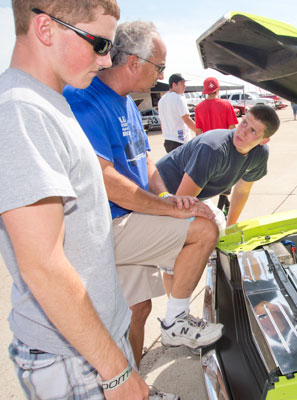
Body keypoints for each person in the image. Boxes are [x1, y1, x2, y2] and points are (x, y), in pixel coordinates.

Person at [0, 1, 157, 398]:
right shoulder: (22, 111)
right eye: (99, 44)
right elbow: (44, 267)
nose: (107, 61)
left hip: (92, 341)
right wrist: (117, 372)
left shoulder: (50, 101)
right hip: (74, 356)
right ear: (46, 29)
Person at [63, 21, 223, 370]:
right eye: (159, 67)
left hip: (128, 217)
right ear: (134, 62)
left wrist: (167, 196)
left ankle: (134, 388)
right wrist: (170, 212)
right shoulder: (85, 100)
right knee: (204, 228)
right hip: (104, 226)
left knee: (138, 309)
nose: (161, 76)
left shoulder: (127, 103)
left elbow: (144, 158)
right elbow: (107, 180)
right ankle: (176, 321)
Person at [155, 105, 280, 227]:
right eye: (244, 123)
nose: (243, 131)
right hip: (158, 194)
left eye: (253, 130)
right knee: (207, 231)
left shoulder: (260, 154)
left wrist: (230, 228)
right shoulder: (214, 148)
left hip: (191, 196)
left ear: (264, 141)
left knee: (220, 226)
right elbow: (182, 202)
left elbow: (242, 191)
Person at [194, 76, 239, 215]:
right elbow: (232, 128)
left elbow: (198, 132)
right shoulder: (226, 105)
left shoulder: (198, 107)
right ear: (217, 89)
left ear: (205, 91)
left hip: (207, 148)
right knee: (227, 179)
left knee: (209, 181)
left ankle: (225, 206)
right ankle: (220, 210)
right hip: (225, 147)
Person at [158, 73, 198, 153]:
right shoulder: (178, 98)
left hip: (168, 141)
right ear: (174, 84)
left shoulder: (162, 100)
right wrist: (199, 131)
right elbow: (187, 119)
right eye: (182, 83)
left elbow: (162, 122)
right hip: (180, 141)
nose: (184, 86)